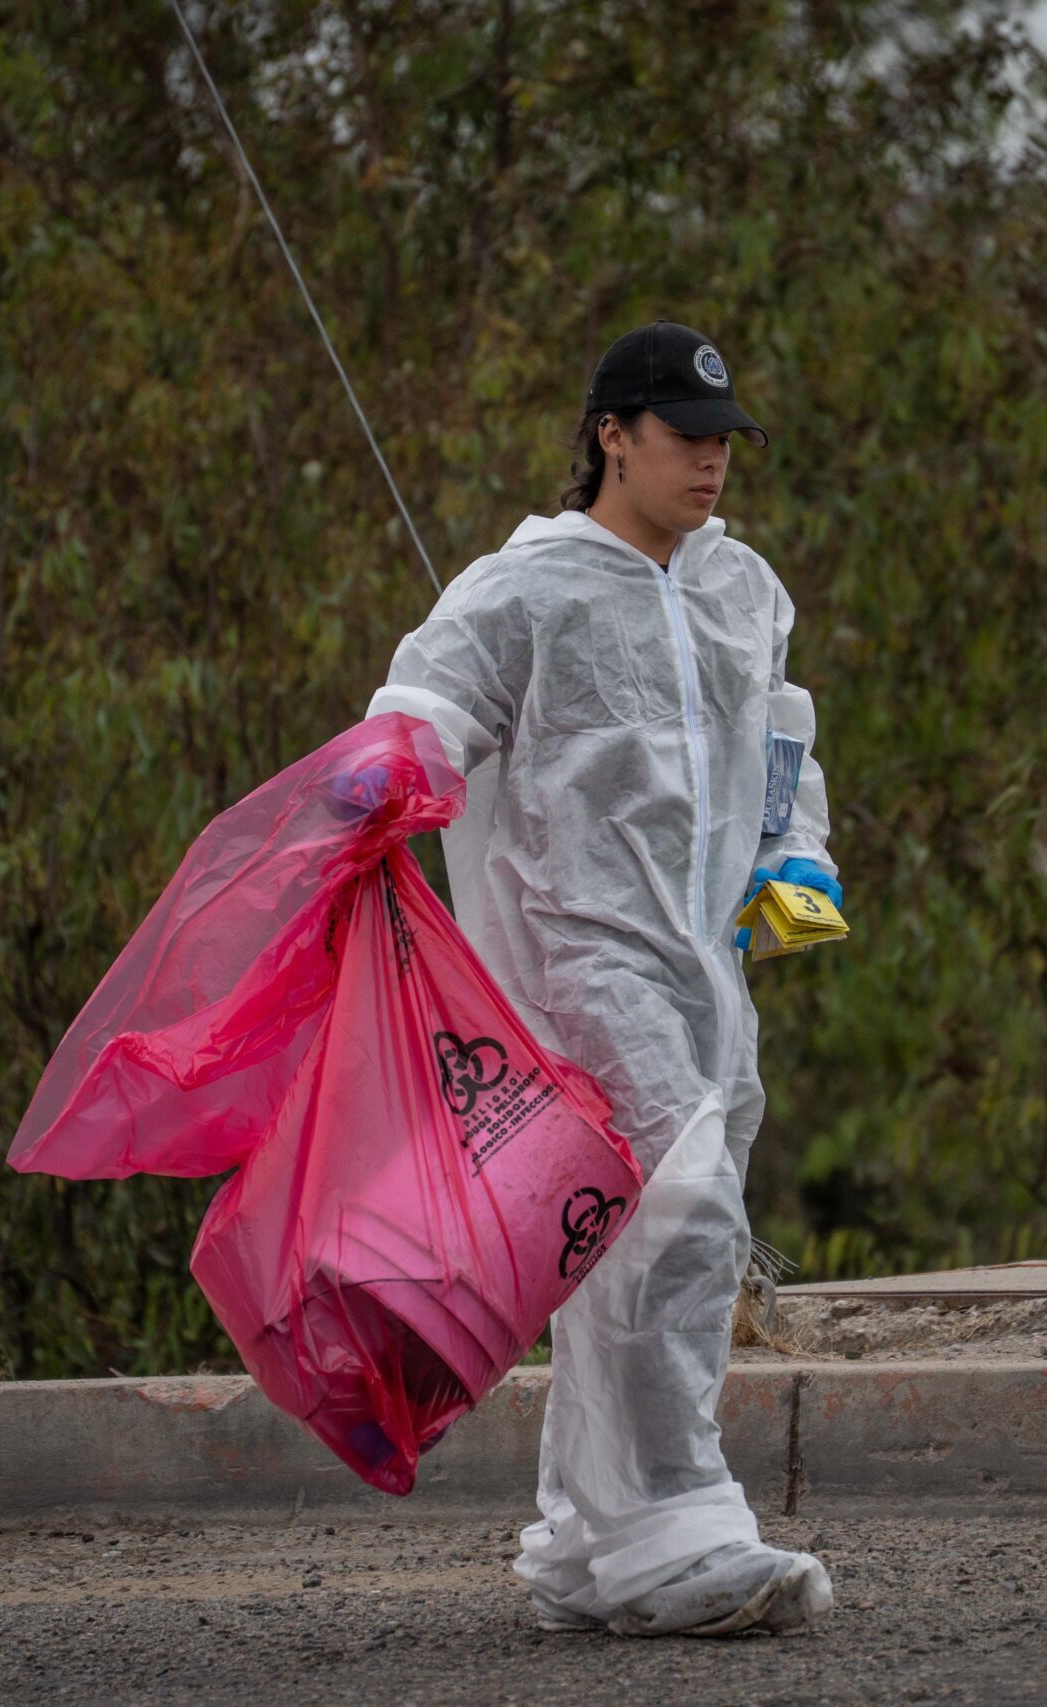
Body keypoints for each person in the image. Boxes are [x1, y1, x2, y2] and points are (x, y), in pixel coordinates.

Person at [365, 321, 842, 1637]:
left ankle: (586, 1545)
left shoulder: (738, 588)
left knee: (651, 1232)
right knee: (677, 1210)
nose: (712, 463)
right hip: (575, 958)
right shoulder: (527, 589)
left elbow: (779, 742)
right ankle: (674, 1531)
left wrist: (795, 858)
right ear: (612, 438)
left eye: (725, 441)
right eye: (685, 437)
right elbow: (423, 709)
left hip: (709, 971)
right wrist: (379, 785)